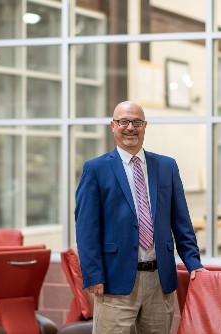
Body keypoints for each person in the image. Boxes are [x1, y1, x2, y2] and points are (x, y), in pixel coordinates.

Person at [75, 101, 206, 333]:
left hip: (160, 279)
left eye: (136, 122)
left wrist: (193, 262)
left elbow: (181, 221)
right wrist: (93, 274)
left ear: (145, 126)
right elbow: (87, 229)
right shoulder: (95, 169)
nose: (130, 127)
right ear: (113, 126)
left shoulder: (167, 166)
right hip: (114, 281)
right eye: (123, 121)